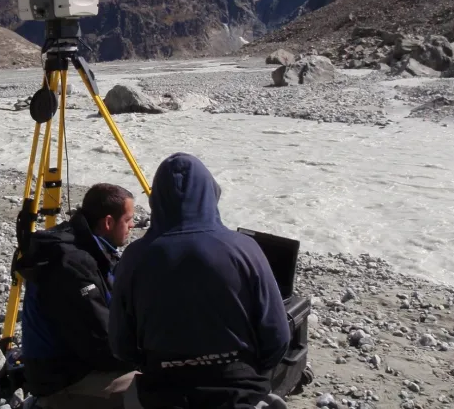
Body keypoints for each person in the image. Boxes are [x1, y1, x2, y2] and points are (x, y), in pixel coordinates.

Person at [108, 153, 291, 409]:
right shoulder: (245, 249)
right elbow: (278, 336)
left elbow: (121, 344)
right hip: (239, 390)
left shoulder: (135, 257)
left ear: (156, 199)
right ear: (211, 194)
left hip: (163, 392)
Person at [15, 183, 139, 409]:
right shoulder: (72, 265)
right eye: (128, 219)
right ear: (109, 222)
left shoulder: (86, 245)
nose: (133, 225)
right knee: (158, 390)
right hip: (63, 382)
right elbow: (101, 345)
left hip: (72, 366)